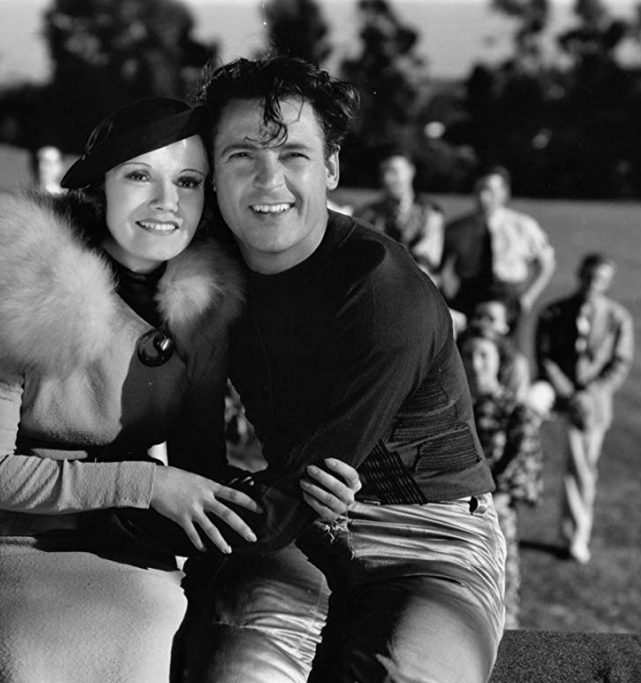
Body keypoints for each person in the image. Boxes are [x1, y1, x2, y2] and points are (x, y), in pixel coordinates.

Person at [0, 98, 359, 683]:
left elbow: (199, 470)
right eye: (139, 176)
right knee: (12, 663)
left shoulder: (201, 305)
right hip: (10, 545)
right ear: (99, 188)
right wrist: (147, 483)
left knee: (152, 646)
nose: (165, 202)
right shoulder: (17, 280)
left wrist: (308, 498)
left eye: (188, 181)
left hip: (130, 550)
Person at [181, 56, 506, 683]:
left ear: (330, 167)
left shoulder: (381, 289)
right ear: (212, 171)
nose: (268, 180)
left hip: (429, 540)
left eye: (294, 155)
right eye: (242, 155)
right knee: (238, 672)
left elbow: (291, 498)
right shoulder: (207, 270)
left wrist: (164, 506)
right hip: (295, 527)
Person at [535, 252, 634, 564]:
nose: (593, 284)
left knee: (581, 468)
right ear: (580, 275)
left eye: (601, 279)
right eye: (589, 277)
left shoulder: (618, 318)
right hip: (557, 393)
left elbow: (619, 364)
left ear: (608, 283)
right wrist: (567, 391)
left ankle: (575, 537)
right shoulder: (555, 312)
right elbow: (545, 357)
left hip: (592, 401)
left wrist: (588, 394)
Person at [458, 327, 545, 629]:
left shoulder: (516, 413)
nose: (475, 364)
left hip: (493, 525)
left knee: (500, 615)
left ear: (500, 360)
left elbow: (518, 477)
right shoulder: (450, 410)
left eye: (484, 354)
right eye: (468, 355)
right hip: (448, 522)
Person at [440, 166, 556, 338]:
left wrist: (528, 297)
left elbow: (546, 264)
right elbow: (439, 268)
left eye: (490, 191)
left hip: (508, 297)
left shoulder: (523, 226)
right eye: (479, 190)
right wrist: (446, 300)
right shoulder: (456, 229)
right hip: (469, 296)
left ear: (504, 193)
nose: (483, 197)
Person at [354, 144, 444, 283]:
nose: (388, 178)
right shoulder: (367, 214)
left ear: (411, 171)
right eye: (384, 172)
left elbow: (427, 259)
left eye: (394, 171)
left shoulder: (429, 213)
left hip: (418, 283)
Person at [469, 298, 532, 400]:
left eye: (491, 319)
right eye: (478, 317)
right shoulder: (458, 351)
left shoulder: (516, 364)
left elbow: (516, 402)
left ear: (505, 327)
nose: (482, 323)